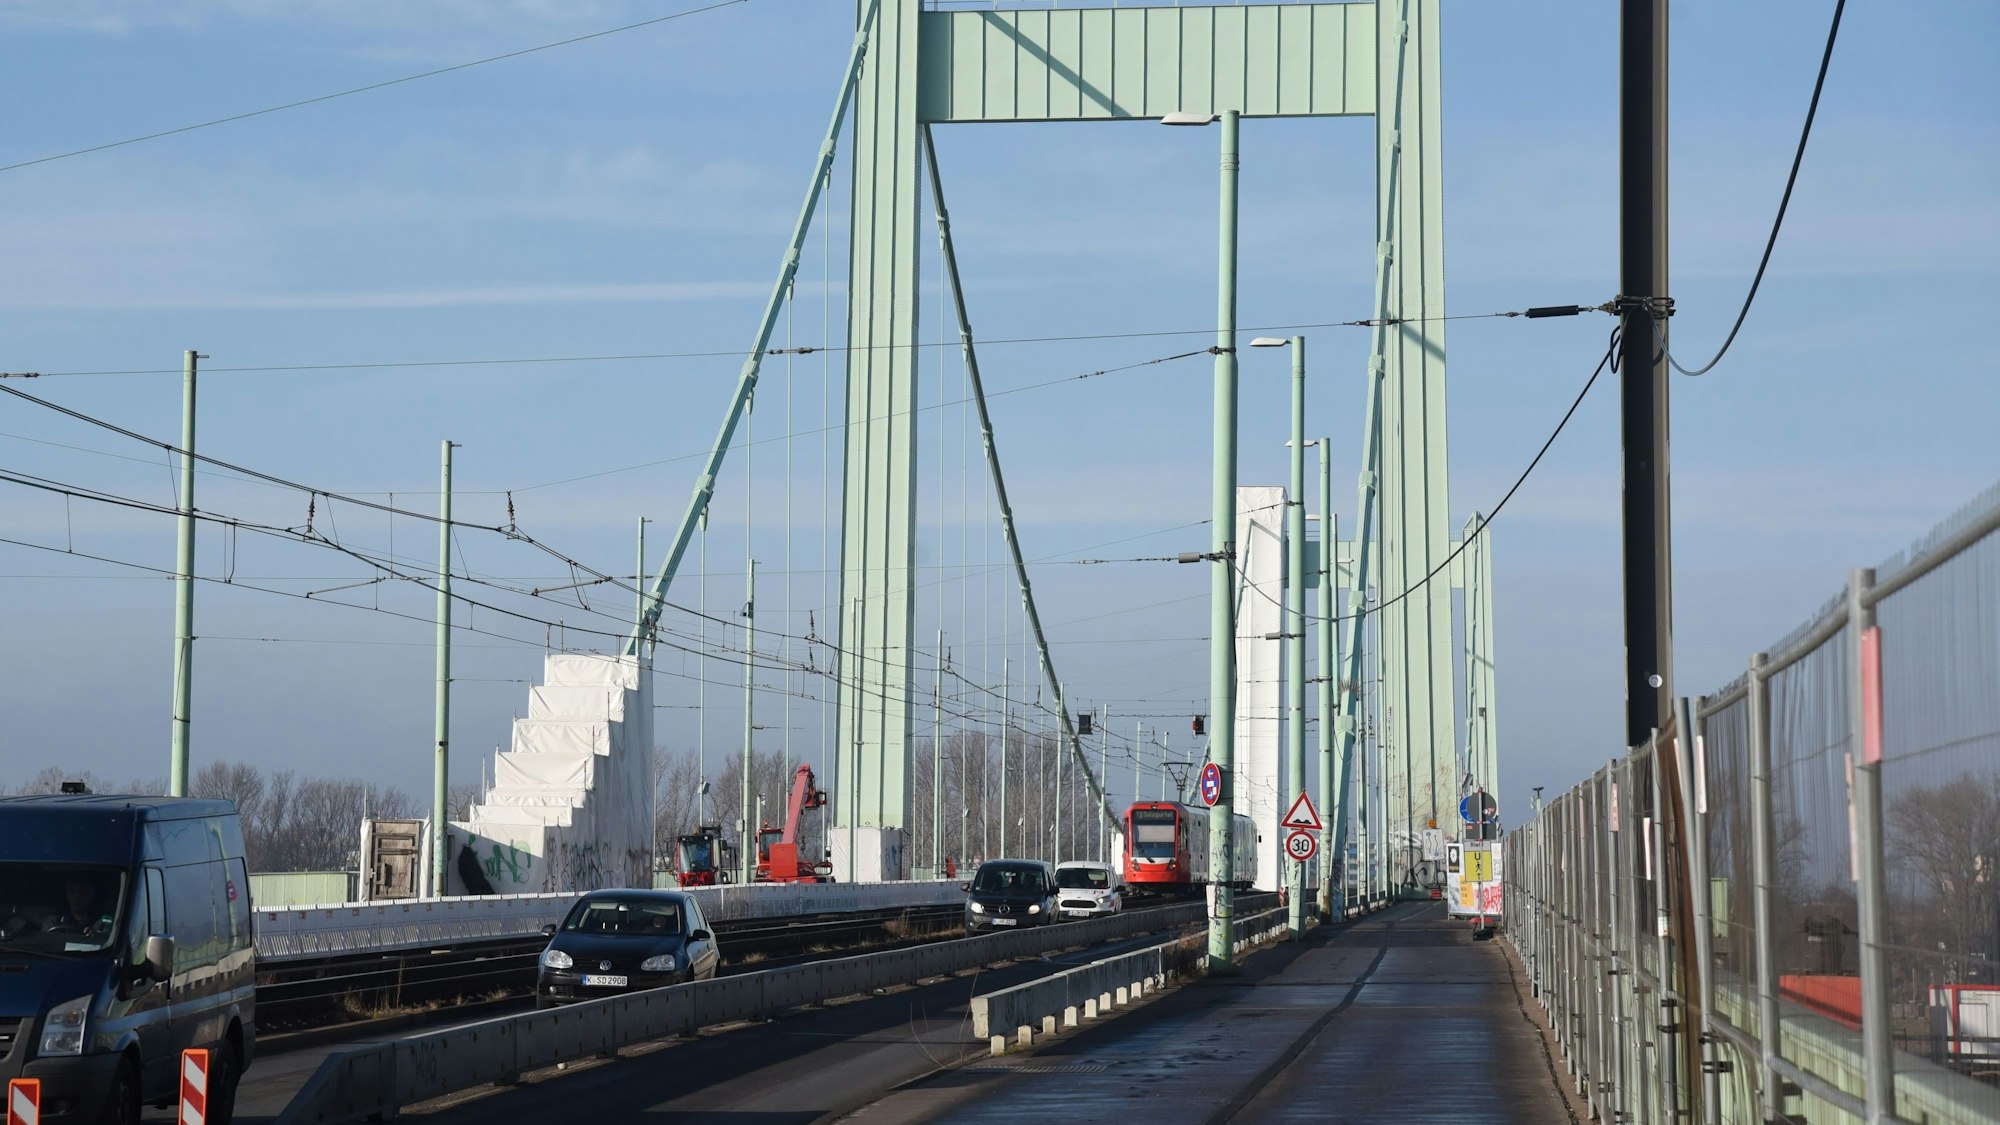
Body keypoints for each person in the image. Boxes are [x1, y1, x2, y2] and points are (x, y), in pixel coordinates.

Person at [44, 878, 111, 939]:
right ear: (66, 894)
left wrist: (98, 936)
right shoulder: (54, 920)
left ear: (91, 894)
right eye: (72, 891)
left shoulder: (103, 921)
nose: (77, 897)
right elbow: (46, 944)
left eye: (82, 892)